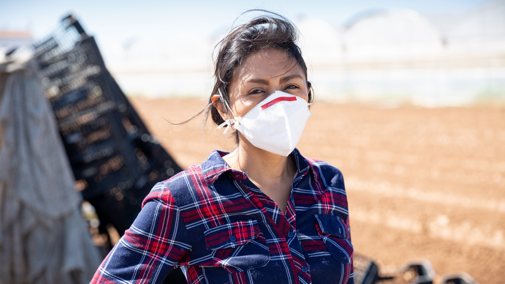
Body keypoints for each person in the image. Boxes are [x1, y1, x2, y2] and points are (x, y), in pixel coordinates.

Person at [91, 11, 354, 284]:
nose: (279, 102)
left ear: (307, 95)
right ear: (224, 108)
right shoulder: (182, 199)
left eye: (291, 86)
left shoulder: (327, 182)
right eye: (257, 90)